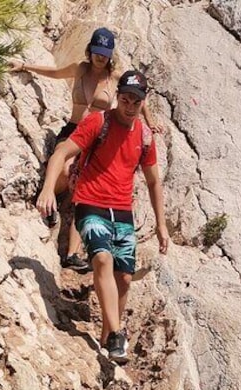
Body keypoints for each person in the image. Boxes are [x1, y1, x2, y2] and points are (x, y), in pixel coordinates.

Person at [36, 70, 169, 363]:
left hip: (122, 210)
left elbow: (154, 182)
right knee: (101, 259)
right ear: (117, 96)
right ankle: (119, 333)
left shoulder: (145, 136)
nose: (129, 105)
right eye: (124, 98)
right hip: (90, 202)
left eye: (136, 101)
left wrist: (161, 225)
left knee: (123, 277)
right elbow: (60, 153)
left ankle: (109, 338)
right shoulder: (99, 122)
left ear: (143, 102)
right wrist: (47, 190)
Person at [10, 28, 163, 273]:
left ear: (110, 54)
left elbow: (137, 98)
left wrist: (150, 120)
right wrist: (25, 66)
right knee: (65, 166)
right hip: (73, 129)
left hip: (96, 136)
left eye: (105, 54)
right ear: (90, 50)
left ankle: (72, 253)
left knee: (83, 183)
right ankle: (49, 199)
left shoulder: (114, 79)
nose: (100, 57)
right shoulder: (80, 69)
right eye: (97, 52)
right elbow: (55, 73)